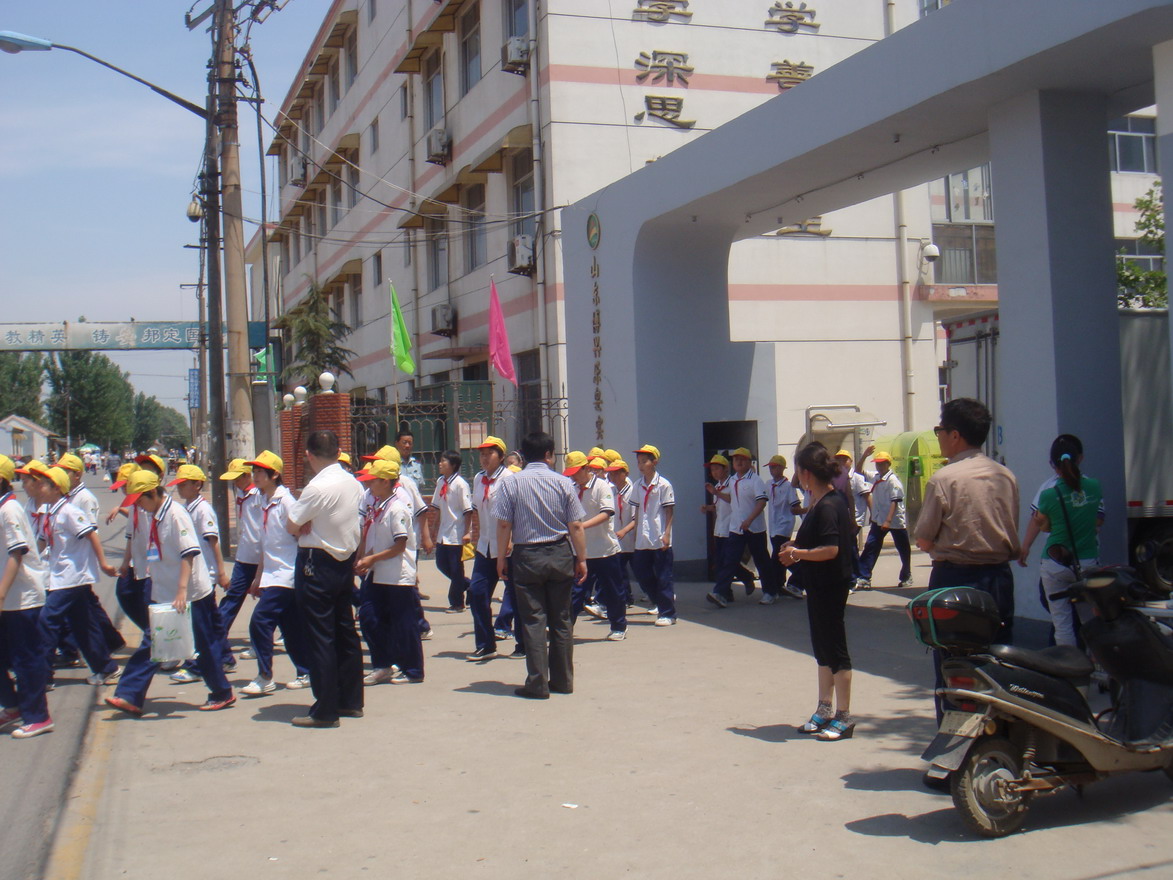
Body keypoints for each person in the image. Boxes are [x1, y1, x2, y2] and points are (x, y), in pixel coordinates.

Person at [914, 398, 1019, 787]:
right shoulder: (1004, 475)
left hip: (954, 581)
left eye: (941, 431)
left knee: (952, 670)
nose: (939, 437)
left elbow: (923, 539)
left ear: (955, 436)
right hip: (997, 580)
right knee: (997, 665)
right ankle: (1002, 752)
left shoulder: (944, 480)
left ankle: (952, 760)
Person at [104, 471, 235, 715]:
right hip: (164, 591)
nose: (139, 507)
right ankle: (129, 694)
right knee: (153, 643)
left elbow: (189, 553)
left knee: (203, 645)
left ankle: (222, 692)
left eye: (140, 500)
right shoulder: (153, 515)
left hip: (191, 594)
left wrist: (182, 590)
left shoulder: (176, 515)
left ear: (152, 493)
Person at [491, 432, 588, 699]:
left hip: (527, 556)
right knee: (561, 619)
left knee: (533, 620)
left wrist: (501, 557)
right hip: (559, 552)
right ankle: (563, 681)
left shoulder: (511, 484)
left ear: (523, 455)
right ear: (549, 454)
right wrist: (581, 559)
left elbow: (503, 524)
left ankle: (537, 683)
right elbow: (576, 525)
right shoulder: (563, 483)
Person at [285, 430, 365, 728]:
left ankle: (325, 709)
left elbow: (292, 524)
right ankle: (351, 700)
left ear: (309, 455)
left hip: (316, 564)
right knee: (344, 630)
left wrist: (305, 522)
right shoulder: (351, 481)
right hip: (343, 560)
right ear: (339, 450)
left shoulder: (316, 487)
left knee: (320, 637)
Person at [778, 442, 856, 741]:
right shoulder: (819, 502)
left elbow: (830, 550)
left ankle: (844, 715)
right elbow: (815, 545)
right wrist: (796, 548)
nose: (797, 477)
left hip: (830, 585)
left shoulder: (829, 505)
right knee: (822, 650)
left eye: (798, 471)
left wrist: (798, 554)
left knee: (835, 649)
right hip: (818, 584)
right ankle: (824, 709)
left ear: (807, 473)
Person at [23, 465, 120, 686]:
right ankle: (106, 668)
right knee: (83, 624)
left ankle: (42, 676)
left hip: (72, 578)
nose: (39, 489)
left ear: (56, 489)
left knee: (46, 622)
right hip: (61, 577)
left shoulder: (69, 511)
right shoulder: (50, 512)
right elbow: (41, 541)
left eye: (44, 485)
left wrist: (103, 564)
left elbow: (91, 535)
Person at [1018, 435, 1102, 647]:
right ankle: (1096, 663)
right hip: (1087, 562)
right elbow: (1098, 523)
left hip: (1056, 562)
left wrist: (1025, 547)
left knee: (1061, 622)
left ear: (1052, 463)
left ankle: (1069, 668)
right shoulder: (1094, 487)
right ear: (1080, 458)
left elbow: (1040, 523)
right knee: (1089, 620)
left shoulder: (1048, 492)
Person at [239, 451, 311, 695]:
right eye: (254, 471)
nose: (255, 476)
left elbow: (302, 534)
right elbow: (265, 544)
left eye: (260, 471)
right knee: (290, 627)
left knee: (260, 621)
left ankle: (265, 675)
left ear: (274, 474)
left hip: (287, 574)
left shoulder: (286, 502)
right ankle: (306, 671)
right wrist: (258, 577)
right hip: (272, 574)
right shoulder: (262, 501)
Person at [356, 459, 424, 683]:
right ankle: (383, 664)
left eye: (373, 480)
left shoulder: (397, 508)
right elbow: (379, 539)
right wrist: (365, 558)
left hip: (397, 574)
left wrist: (372, 558)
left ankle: (413, 670)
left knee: (404, 623)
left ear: (385, 482)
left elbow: (400, 545)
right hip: (378, 572)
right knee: (369, 617)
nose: (369, 485)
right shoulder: (379, 505)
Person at [0, 454, 53, 738]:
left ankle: (38, 716)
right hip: (8, 598)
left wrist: (1, 594)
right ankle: (12, 705)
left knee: (26, 659)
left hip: (21, 598)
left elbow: (16, 552)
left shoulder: (9, 510)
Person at [167, 464, 234, 682]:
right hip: (199, 570)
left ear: (197, 485)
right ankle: (225, 656)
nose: (180, 489)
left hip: (205, 572)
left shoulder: (203, 510)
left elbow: (213, 542)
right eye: (179, 485)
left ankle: (195, 666)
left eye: (184, 485)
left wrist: (221, 572)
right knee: (212, 620)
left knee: (198, 623)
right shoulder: (188, 508)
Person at [466, 436, 520, 662]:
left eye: (490, 453)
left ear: (501, 456)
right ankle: (486, 644)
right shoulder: (478, 479)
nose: (485, 458)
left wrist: (510, 542)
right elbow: (476, 510)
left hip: (509, 548)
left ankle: (524, 644)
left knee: (518, 598)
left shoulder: (510, 478)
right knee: (477, 594)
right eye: (482, 454)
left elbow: (517, 513)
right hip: (485, 547)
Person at [567, 454, 627, 641]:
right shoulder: (571, 488)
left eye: (576, 472)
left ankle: (619, 626)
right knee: (575, 593)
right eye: (571, 473)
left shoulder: (602, 486)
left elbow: (607, 512)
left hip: (604, 550)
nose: (574, 477)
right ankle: (565, 629)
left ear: (586, 468)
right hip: (580, 551)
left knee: (612, 591)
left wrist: (581, 526)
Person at [708, 448, 776, 608]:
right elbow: (730, 499)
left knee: (761, 560)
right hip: (736, 528)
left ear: (749, 462)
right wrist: (716, 495)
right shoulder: (732, 481)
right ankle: (720, 592)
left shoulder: (755, 480)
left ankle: (770, 592)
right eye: (736, 459)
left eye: (743, 459)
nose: (739, 462)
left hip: (754, 528)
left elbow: (761, 502)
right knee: (729, 560)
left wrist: (750, 519)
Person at [217, 460, 264, 658]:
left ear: (247, 476)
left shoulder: (260, 496)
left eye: (237, 478)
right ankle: (216, 638)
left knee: (272, 605)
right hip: (244, 556)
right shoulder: (241, 494)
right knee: (233, 598)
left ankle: (261, 644)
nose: (234, 483)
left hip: (262, 557)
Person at [630, 444, 677, 626]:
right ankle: (660, 600)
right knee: (641, 572)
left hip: (659, 535)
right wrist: (635, 533)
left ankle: (668, 614)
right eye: (639, 462)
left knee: (664, 575)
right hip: (643, 536)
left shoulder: (664, 484)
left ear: (654, 462)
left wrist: (667, 533)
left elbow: (669, 510)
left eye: (644, 461)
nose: (641, 465)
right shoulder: (638, 485)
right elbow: (637, 509)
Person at [702, 454, 756, 603]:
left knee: (727, 561)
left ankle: (728, 589)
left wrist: (716, 493)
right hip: (719, 528)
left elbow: (733, 501)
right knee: (720, 561)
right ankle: (731, 589)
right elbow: (720, 506)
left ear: (726, 469)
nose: (714, 472)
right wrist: (709, 508)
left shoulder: (732, 484)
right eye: (712, 470)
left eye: (717, 469)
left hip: (730, 528)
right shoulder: (718, 486)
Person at [855, 451, 913, 590]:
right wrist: (864, 455)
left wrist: (888, 521)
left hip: (894, 521)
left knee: (903, 548)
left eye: (882, 463)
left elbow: (895, 501)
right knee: (871, 546)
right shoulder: (876, 477)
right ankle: (864, 576)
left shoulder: (893, 481)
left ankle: (906, 575)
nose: (879, 466)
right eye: (877, 464)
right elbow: (858, 471)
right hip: (878, 519)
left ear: (888, 464)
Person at [431, 450, 473, 613]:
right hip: (444, 532)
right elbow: (437, 507)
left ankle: (457, 603)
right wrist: (434, 527)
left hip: (456, 532)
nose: (440, 464)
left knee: (456, 569)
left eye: (444, 461)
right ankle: (469, 585)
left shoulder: (460, 484)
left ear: (453, 465)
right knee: (441, 564)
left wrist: (468, 532)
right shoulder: (441, 481)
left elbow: (467, 510)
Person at [765, 455, 804, 601]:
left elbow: (795, 508)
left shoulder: (788, 486)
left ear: (782, 468)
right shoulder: (769, 484)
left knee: (777, 556)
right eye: (770, 467)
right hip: (773, 526)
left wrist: (807, 510)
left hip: (784, 525)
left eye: (775, 467)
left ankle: (798, 575)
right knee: (779, 557)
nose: (772, 470)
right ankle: (780, 584)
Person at [606, 458, 639, 607]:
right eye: (610, 474)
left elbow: (636, 518)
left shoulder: (632, 492)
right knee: (618, 572)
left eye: (615, 473)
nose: (612, 477)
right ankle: (625, 598)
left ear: (624, 474)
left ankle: (657, 598)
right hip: (616, 540)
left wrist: (625, 530)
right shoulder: (611, 492)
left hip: (632, 539)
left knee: (640, 571)